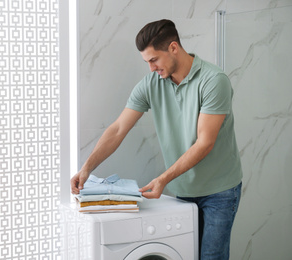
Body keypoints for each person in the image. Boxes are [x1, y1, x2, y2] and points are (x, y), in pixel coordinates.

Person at [71, 19, 242, 260]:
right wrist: (86, 168)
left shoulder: (214, 81)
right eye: (147, 62)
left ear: (173, 48)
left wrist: (163, 179)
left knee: (212, 257)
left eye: (154, 60)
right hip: (183, 189)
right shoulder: (152, 83)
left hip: (219, 191)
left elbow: (205, 143)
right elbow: (119, 128)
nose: (151, 68)